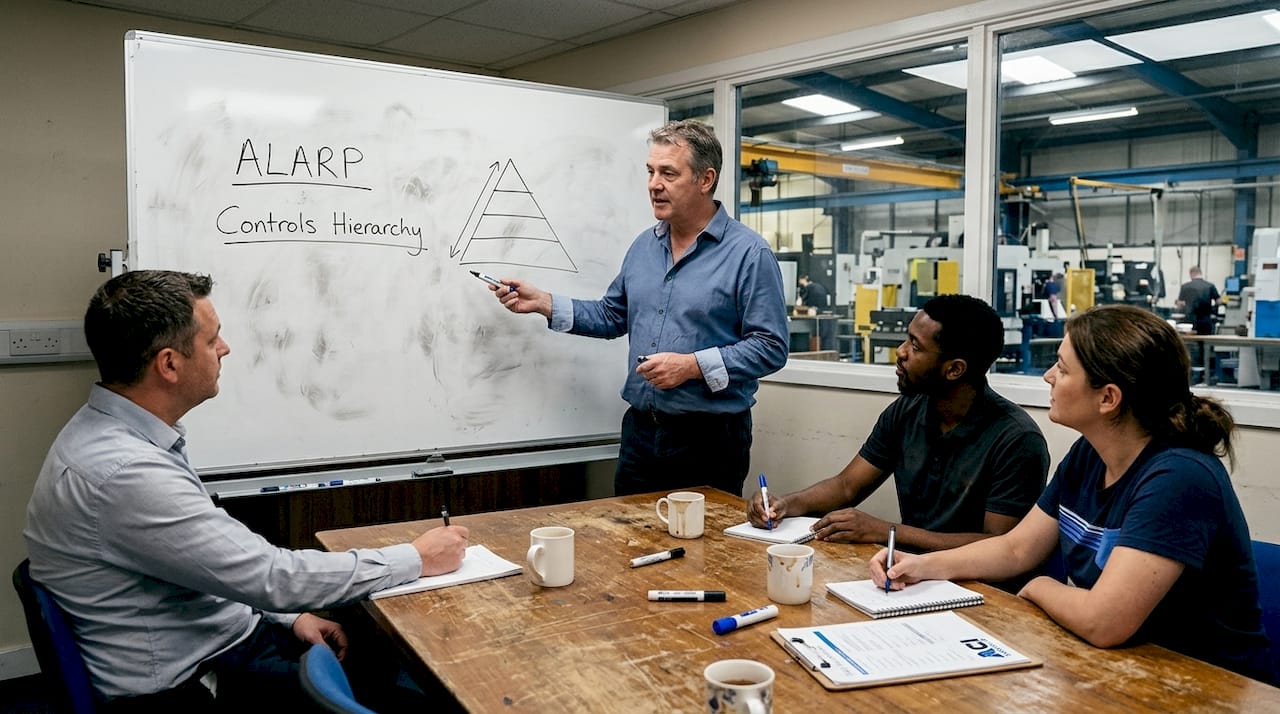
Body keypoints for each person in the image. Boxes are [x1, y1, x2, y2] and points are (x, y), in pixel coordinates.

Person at [24, 270, 470, 710]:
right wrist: (417, 558)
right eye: (211, 339)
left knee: (372, 665)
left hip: (215, 638)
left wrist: (289, 618)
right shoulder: (126, 473)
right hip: (189, 688)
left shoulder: (118, 435)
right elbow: (272, 576)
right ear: (169, 364)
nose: (225, 348)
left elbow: (210, 566)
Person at [870, 304, 1275, 685]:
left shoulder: (1180, 477)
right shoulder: (1090, 454)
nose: (1048, 376)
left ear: (1108, 398)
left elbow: (1104, 621)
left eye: (1062, 369)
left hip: (1198, 683)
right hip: (1117, 667)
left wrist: (1039, 587)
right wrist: (922, 566)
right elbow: (1015, 550)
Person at [491, 120, 788, 497]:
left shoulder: (749, 254)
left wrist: (691, 366)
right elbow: (612, 316)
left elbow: (771, 346)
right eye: (650, 172)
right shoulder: (644, 247)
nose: (653, 184)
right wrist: (545, 303)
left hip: (709, 439)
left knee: (701, 553)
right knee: (626, 544)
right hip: (640, 433)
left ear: (705, 179)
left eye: (668, 173)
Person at [749, 294, 1049, 552]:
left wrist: (887, 531)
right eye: (907, 338)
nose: (901, 352)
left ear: (954, 369)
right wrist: (786, 504)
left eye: (916, 347)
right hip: (908, 573)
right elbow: (846, 486)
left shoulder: (1017, 440)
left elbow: (998, 544)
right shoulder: (908, 410)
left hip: (979, 590)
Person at [1176, 265, 1220, 335]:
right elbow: (1219, 301)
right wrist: (1213, 309)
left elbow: (1180, 304)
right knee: (1205, 342)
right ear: (1200, 273)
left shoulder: (1185, 286)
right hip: (1205, 320)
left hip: (1189, 321)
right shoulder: (1210, 286)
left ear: (1191, 274)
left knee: (1190, 342)